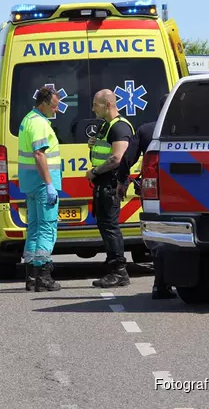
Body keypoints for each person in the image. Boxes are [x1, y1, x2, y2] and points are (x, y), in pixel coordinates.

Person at [117, 93, 176, 299]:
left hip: (154, 194)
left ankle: (160, 285)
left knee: (158, 237)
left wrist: (121, 181)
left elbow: (127, 160)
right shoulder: (189, 129)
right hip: (185, 194)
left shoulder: (146, 130)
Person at [86, 89, 135, 288]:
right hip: (103, 185)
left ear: (107, 105)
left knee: (110, 228)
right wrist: (93, 144)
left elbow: (117, 158)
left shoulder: (120, 127)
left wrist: (95, 172)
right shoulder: (106, 126)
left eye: (95, 104)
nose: (92, 109)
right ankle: (114, 267)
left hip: (110, 185)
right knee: (106, 226)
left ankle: (119, 271)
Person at [17, 86, 63, 292]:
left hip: (31, 184)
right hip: (42, 184)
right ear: (44, 104)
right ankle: (43, 277)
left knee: (34, 229)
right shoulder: (39, 124)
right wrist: (49, 184)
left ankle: (31, 276)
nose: (57, 110)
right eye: (54, 106)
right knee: (46, 228)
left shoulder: (28, 119)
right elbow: (39, 155)